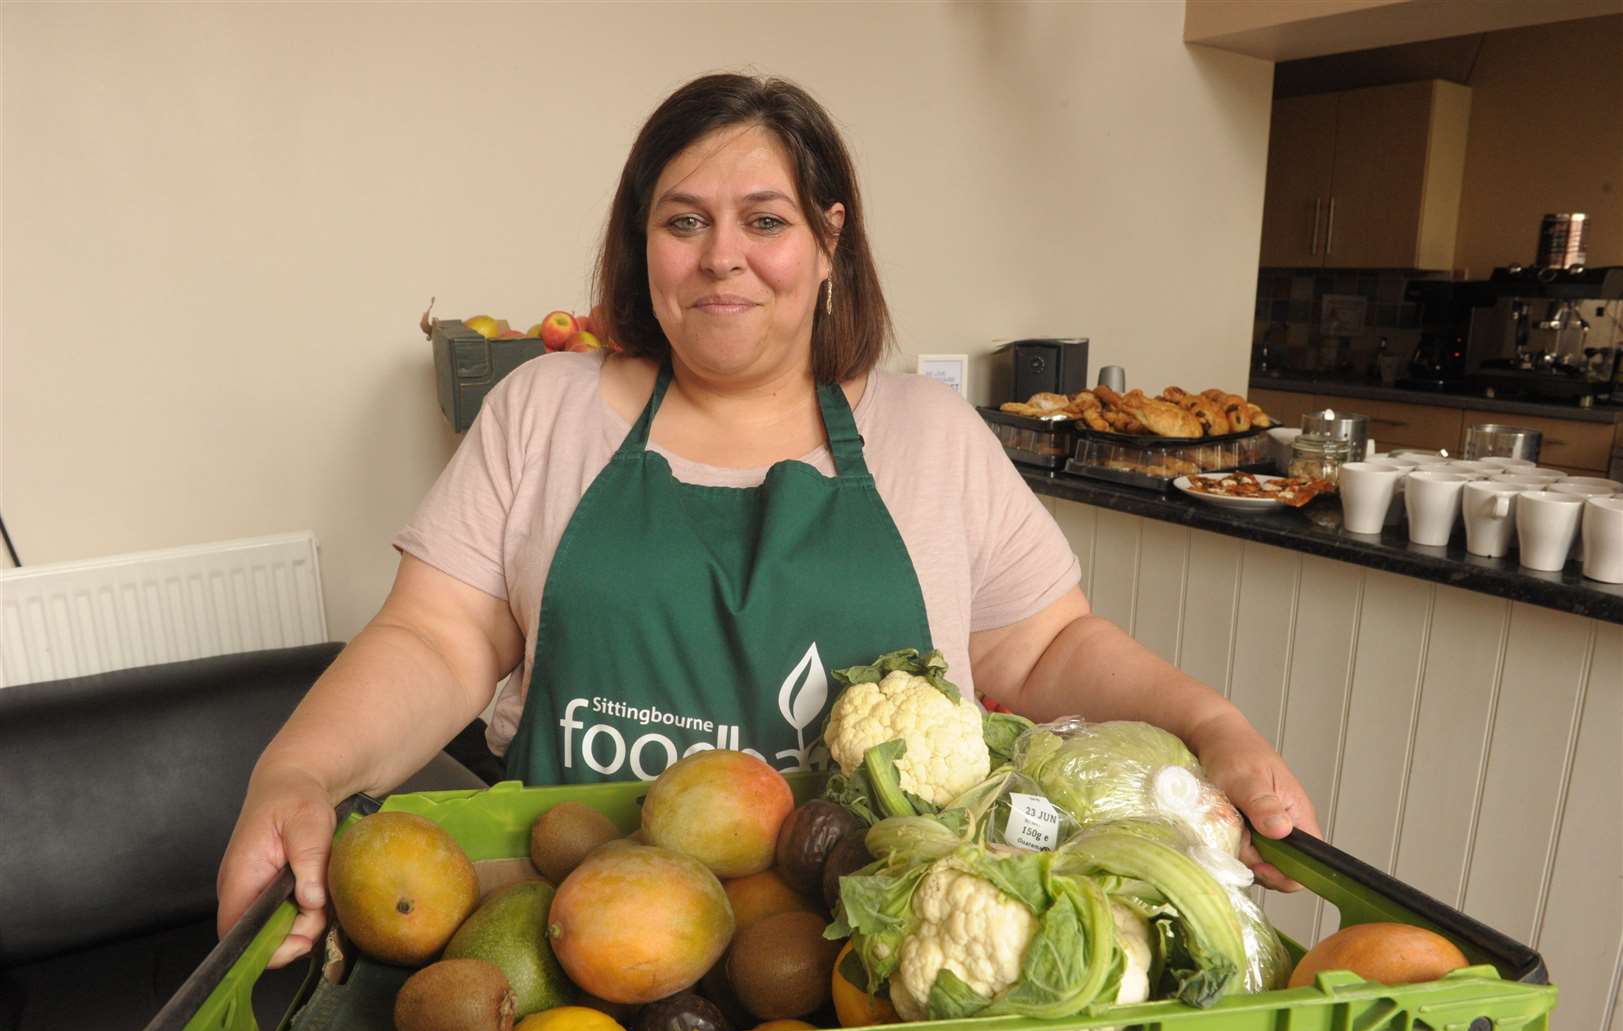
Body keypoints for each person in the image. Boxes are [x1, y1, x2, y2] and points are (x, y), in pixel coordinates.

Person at [217, 73, 1320, 969]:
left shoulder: (929, 436)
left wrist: (1211, 729)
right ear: (641, 243)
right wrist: (299, 774)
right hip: (578, 947)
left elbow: (1046, 644)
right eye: (683, 221)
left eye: (766, 221)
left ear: (829, 241)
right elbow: (437, 637)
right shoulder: (542, 413)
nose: (721, 257)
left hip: (861, 956)